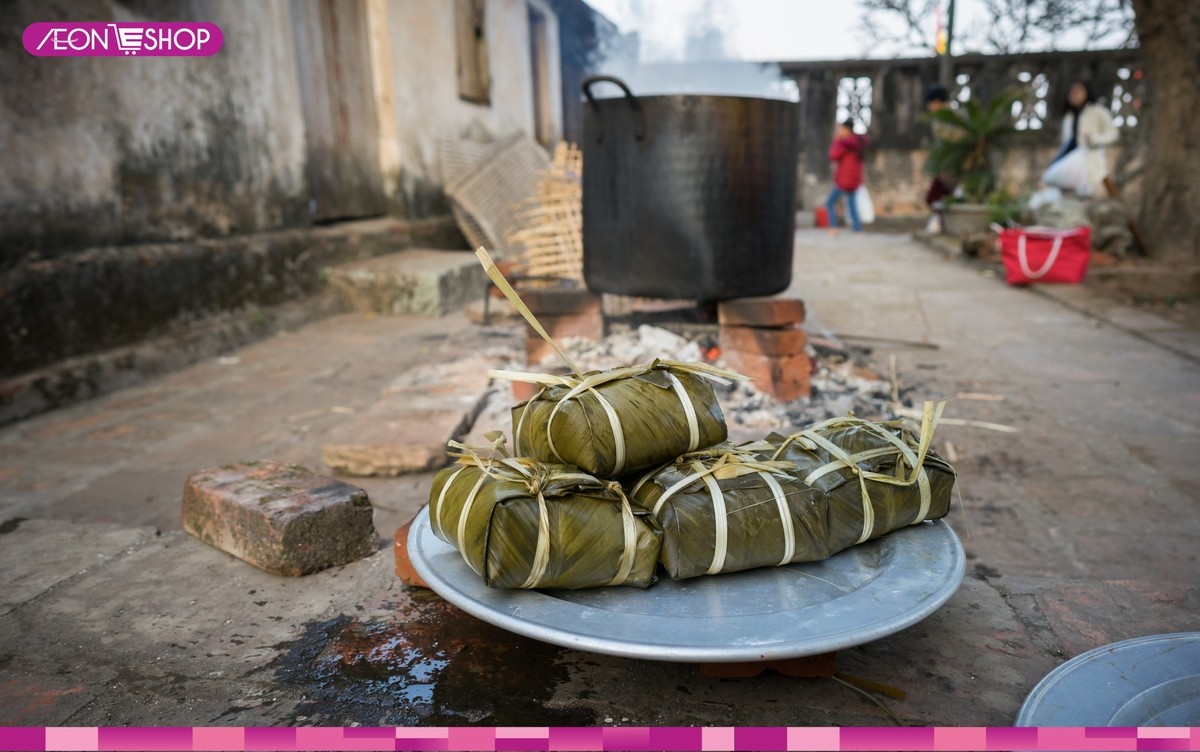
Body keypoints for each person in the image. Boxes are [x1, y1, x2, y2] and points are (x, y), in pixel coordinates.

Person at [1041, 80, 1119, 197]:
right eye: (1071, 92)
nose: (1074, 95)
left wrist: (1094, 139)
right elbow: (1066, 141)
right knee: (1053, 181)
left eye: (1078, 91)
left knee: (1090, 191)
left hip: (1090, 158)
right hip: (1071, 158)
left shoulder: (1098, 111)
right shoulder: (1069, 116)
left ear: (1087, 92)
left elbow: (1113, 134)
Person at [824, 119, 868, 232]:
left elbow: (833, 156)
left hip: (844, 179)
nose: (839, 131)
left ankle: (833, 227)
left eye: (841, 128)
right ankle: (858, 229)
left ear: (847, 129)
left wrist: (836, 140)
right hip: (854, 180)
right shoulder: (857, 142)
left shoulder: (844, 143)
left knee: (829, 203)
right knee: (852, 205)